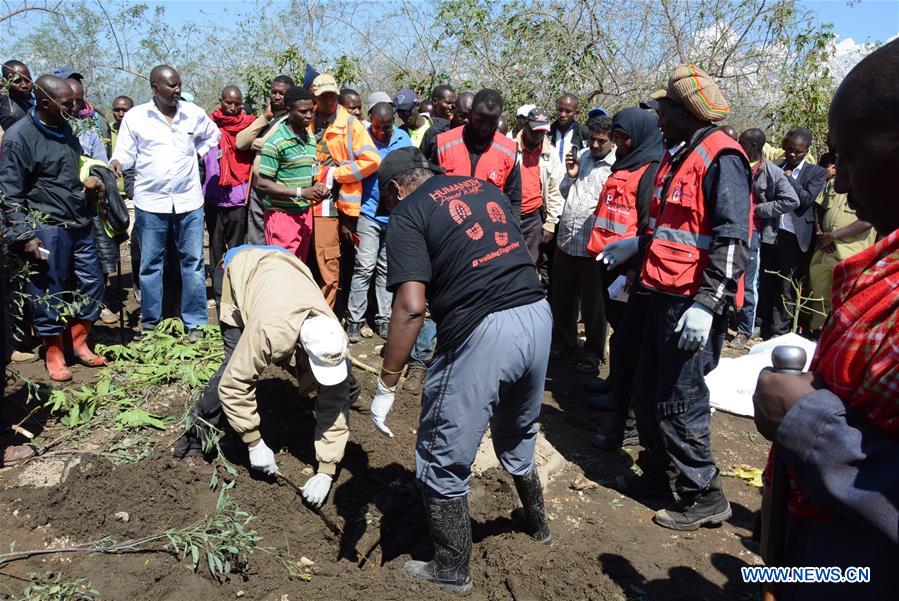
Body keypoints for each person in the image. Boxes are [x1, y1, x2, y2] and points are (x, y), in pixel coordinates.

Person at [752, 39, 899, 601]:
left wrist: (808, 422)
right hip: (820, 549)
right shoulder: (880, 268)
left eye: (853, 156)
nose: (839, 183)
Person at [370, 147, 552, 594]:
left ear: (395, 189)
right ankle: (539, 526)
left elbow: (411, 308)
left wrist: (387, 381)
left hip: (485, 333)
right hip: (537, 315)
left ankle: (451, 568)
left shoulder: (409, 212)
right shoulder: (480, 186)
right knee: (519, 427)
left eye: (386, 200)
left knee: (440, 451)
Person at [606, 64, 751, 530]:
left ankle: (703, 494)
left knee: (680, 398)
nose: (659, 116)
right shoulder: (678, 153)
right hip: (658, 292)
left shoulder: (721, 158)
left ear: (686, 111)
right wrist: (637, 245)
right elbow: (671, 228)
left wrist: (708, 305)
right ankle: (658, 475)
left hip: (689, 302)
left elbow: (732, 240)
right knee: (648, 389)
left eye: (665, 108)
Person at [173, 245, 355, 508]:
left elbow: (335, 401)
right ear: (301, 349)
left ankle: (347, 388)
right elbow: (235, 385)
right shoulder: (270, 332)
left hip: (283, 269)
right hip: (239, 269)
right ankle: (192, 443)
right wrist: (253, 441)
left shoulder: (333, 336)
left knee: (340, 384)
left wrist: (326, 470)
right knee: (233, 364)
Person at [0, 75, 106, 381]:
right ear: (45, 103)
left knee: (94, 283)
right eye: (67, 103)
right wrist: (24, 234)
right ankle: (54, 351)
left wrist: (89, 183)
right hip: (46, 228)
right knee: (48, 291)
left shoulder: (67, 128)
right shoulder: (20, 137)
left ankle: (78, 341)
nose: (75, 107)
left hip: (79, 222)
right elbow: (9, 191)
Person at [109, 64, 221, 341]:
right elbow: (125, 152)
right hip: (152, 202)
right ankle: (151, 324)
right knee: (150, 265)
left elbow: (214, 135)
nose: (177, 89)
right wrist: (117, 162)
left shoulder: (193, 114)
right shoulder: (136, 117)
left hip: (188, 201)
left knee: (193, 263)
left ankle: (195, 323)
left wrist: (198, 153)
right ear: (155, 88)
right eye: (171, 85)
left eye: (179, 84)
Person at [584, 107, 664, 450]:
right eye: (615, 137)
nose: (618, 143)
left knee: (630, 337)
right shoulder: (625, 164)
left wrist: (634, 268)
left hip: (628, 268)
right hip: (607, 258)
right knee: (619, 331)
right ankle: (615, 384)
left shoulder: (650, 169)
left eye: (622, 138)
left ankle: (624, 400)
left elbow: (648, 225)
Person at [550, 113, 616, 373]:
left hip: (594, 245)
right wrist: (571, 175)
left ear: (612, 140)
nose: (596, 145)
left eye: (601, 141)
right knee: (563, 297)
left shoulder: (617, 165)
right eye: (592, 139)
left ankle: (593, 351)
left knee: (594, 302)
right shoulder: (584, 157)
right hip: (568, 239)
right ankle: (565, 342)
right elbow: (565, 191)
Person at [310, 73, 381, 308]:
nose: (330, 100)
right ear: (315, 97)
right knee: (314, 259)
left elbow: (372, 160)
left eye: (333, 95)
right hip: (309, 199)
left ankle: (332, 313)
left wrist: (336, 174)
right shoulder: (308, 120)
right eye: (324, 96)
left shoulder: (350, 124)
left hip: (341, 203)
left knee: (336, 259)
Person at [345, 102, 412, 343]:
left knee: (386, 267)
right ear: (370, 120)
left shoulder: (404, 138)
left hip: (394, 215)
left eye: (387, 126)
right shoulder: (362, 137)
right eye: (378, 127)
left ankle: (383, 319)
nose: (383, 132)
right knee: (364, 266)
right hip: (369, 212)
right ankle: (355, 320)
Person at [729, 128, 799, 349]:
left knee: (749, 283)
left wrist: (759, 210)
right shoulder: (734, 164)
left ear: (753, 146)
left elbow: (791, 200)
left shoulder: (772, 172)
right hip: (730, 229)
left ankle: (744, 330)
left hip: (753, 235)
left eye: (742, 143)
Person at [758, 127, 827, 338]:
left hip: (795, 237)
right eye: (789, 150)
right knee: (766, 279)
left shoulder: (816, 173)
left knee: (787, 285)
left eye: (798, 152)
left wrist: (788, 178)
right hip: (772, 232)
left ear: (806, 151)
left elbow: (806, 200)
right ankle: (762, 324)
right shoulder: (775, 166)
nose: (792, 155)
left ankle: (780, 330)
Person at [253, 86, 328, 261]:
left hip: (304, 214)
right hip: (282, 217)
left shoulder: (309, 139)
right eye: (303, 112)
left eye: (311, 110)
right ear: (289, 111)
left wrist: (318, 188)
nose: (309, 116)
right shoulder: (276, 142)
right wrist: (301, 192)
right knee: (283, 271)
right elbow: (262, 183)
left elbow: (311, 176)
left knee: (299, 268)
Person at [807, 152, 875, 331]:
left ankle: (840, 335)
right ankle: (818, 333)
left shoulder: (870, 187)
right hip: (824, 250)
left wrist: (834, 235)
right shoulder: (833, 184)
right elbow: (818, 207)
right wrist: (821, 233)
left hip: (851, 253)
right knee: (820, 295)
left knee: (847, 300)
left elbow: (868, 220)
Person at [434, 89, 521, 216]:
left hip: (489, 229)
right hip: (447, 227)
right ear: (470, 114)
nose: (485, 127)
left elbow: (514, 202)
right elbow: (429, 192)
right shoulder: (442, 143)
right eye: (480, 120)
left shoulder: (509, 151)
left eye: (492, 123)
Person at [236, 74, 295, 245]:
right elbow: (241, 142)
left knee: (275, 237)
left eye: (282, 93)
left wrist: (257, 143)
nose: (277, 97)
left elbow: (280, 145)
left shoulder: (292, 120)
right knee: (256, 237)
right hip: (257, 187)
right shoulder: (267, 120)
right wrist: (264, 118)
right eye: (273, 92)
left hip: (278, 188)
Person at [204, 86, 256, 270]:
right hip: (213, 196)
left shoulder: (250, 125)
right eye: (228, 102)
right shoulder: (208, 125)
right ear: (221, 100)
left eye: (237, 103)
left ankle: (234, 293)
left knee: (237, 248)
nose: (233, 107)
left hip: (238, 196)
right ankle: (218, 294)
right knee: (216, 246)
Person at [513, 107, 564, 263]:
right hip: (510, 215)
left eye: (542, 132)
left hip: (533, 219)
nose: (538, 135)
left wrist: (550, 223)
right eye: (535, 130)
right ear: (526, 125)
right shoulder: (510, 148)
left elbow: (555, 189)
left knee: (529, 262)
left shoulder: (551, 154)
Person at [54, 68, 111, 157]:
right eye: (70, 100)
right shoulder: (47, 124)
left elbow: (103, 158)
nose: (74, 106)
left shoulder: (95, 121)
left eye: (79, 100)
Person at [549, 93, 588, 164]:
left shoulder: (584, 133)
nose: (563, 115)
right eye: (560, 110)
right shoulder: (547, 133)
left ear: (576, 113)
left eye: (568, 111)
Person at [0, 60, 34, 133]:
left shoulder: (32, 100)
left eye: (28, 80)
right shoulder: (12, 115)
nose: (24, 85)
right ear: (5, 83)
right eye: (17, 81)